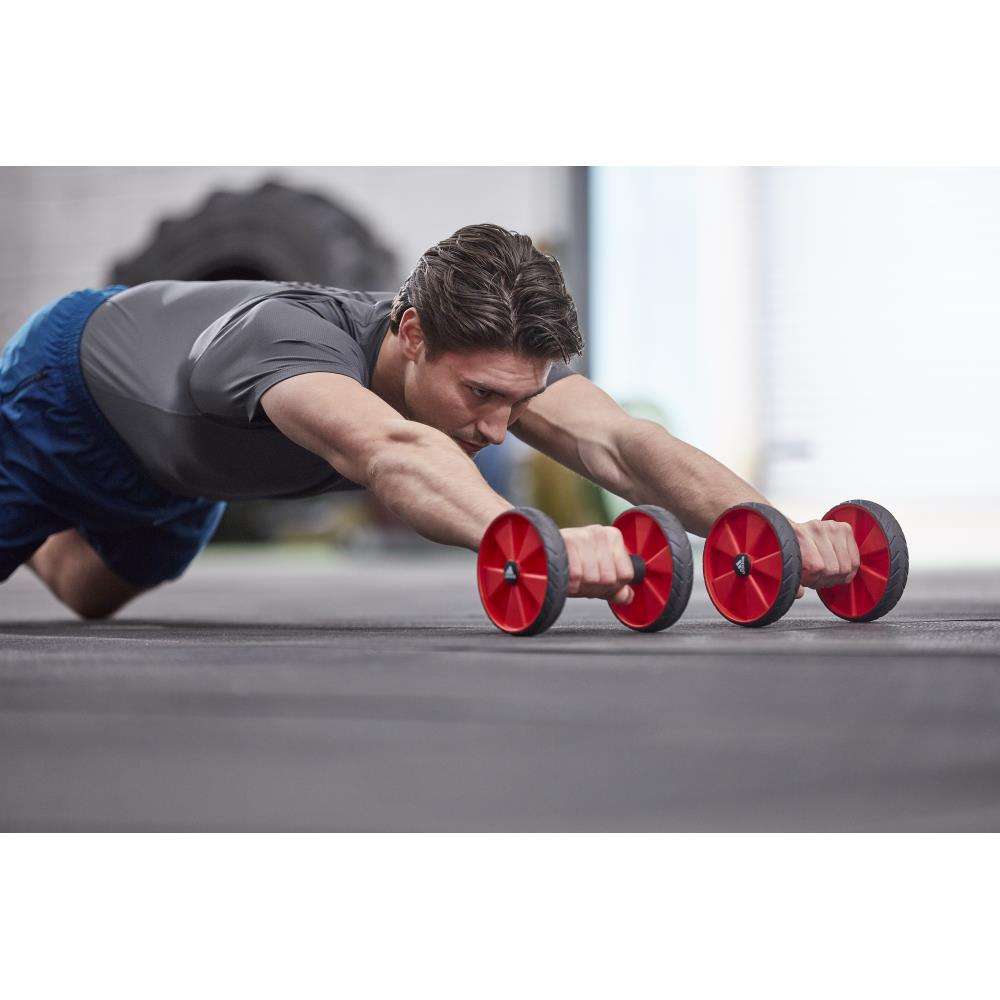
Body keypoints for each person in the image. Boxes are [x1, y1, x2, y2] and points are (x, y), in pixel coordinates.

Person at [0, 223, 859, 620]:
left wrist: (776, 529)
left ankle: (54, 530)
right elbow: (389, 448)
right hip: (62, 405)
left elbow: (625, 445)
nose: (499, 427)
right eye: (480, 396)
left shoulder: (487, 361)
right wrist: (537, 540)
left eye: (519, 399)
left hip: (181, 469)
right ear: (411, 333)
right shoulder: (290, 346)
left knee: (90, 593)